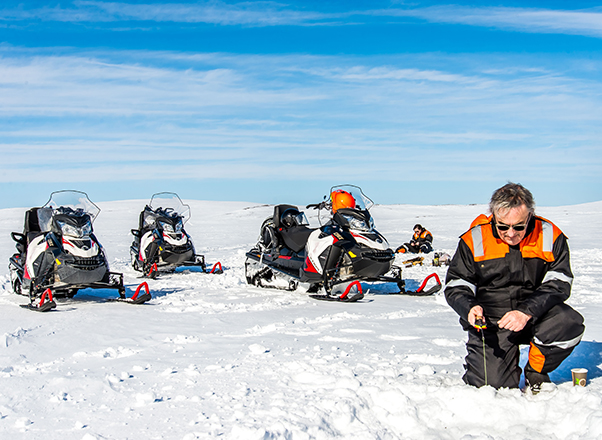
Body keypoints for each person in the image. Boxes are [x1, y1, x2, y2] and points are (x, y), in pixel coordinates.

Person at [445, 182, 584, 390]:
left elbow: (560, 282)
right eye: (503, 226)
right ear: (493, 216)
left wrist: (525, 311)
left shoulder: (550, 235)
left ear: (530, 216)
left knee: (568, 322)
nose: (511, 233)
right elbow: (456, 284)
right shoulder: (473, 239)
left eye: (519, 226)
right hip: (492, 321)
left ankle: (536, 371)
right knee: (491, 385)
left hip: (535, 313)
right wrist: (469, 307)